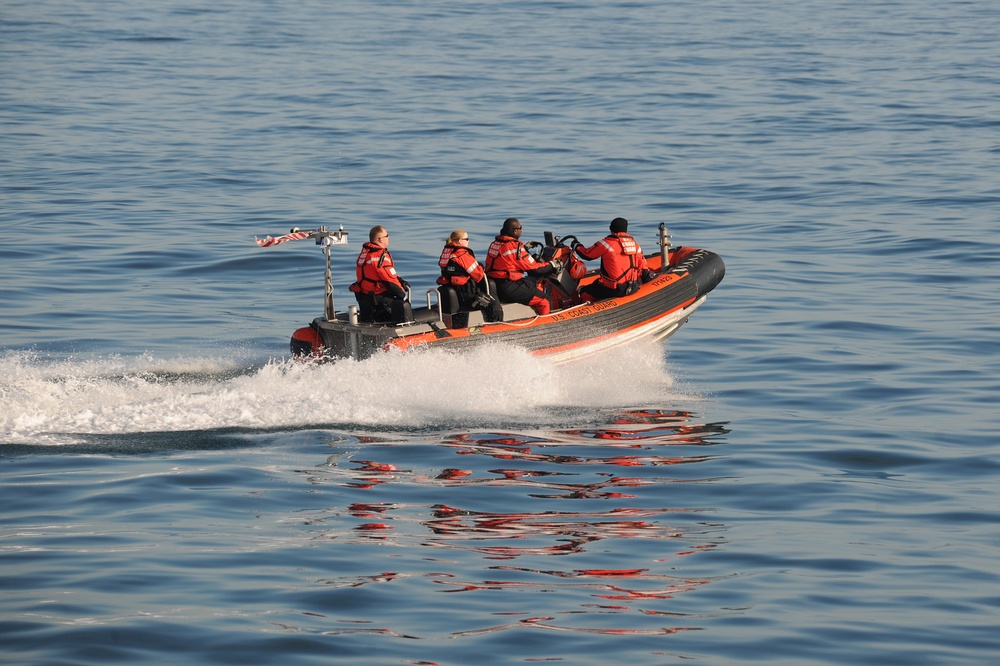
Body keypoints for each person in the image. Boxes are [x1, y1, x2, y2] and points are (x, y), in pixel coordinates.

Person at [485, 217, 561, 316]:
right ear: (515, 231)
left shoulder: (495, 243)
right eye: (520, 228)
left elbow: (507, 259)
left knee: (531, 285)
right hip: (509, 286)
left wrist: (525, 248)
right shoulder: (515, 247)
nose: (521, 231)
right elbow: (535, 268)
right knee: (545, 299)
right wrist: (552, 264)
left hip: (496, 284)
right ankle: (546, 325)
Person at [572, 217, 656, 302]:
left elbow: (587, 255)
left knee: (584, 291)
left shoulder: (606, 244)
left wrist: (576, 246)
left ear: (611, 228)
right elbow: (644, 270)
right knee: (596, 284)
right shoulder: (635, 245)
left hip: (613, 289)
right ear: (626, 229)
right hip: (633, 287)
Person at [437, 230, 503, 326]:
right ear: (460, 241)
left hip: (456, 293)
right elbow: (479, 275)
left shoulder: (446, 254)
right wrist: (480, 266)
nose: (468, 241)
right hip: (468, 295)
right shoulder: (462, 255)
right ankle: (496, 330)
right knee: (493, 306)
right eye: (466, 239)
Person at [349, 225, 411, 323]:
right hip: (380, 302)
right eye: (387, 235)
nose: (388, 237)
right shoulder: (380, 256)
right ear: (380, 239)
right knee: (403, 306)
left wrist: (400, 280)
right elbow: (390, 281)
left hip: (366, 299)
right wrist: (403, 296)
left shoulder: (365, 254)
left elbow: (378, 274)